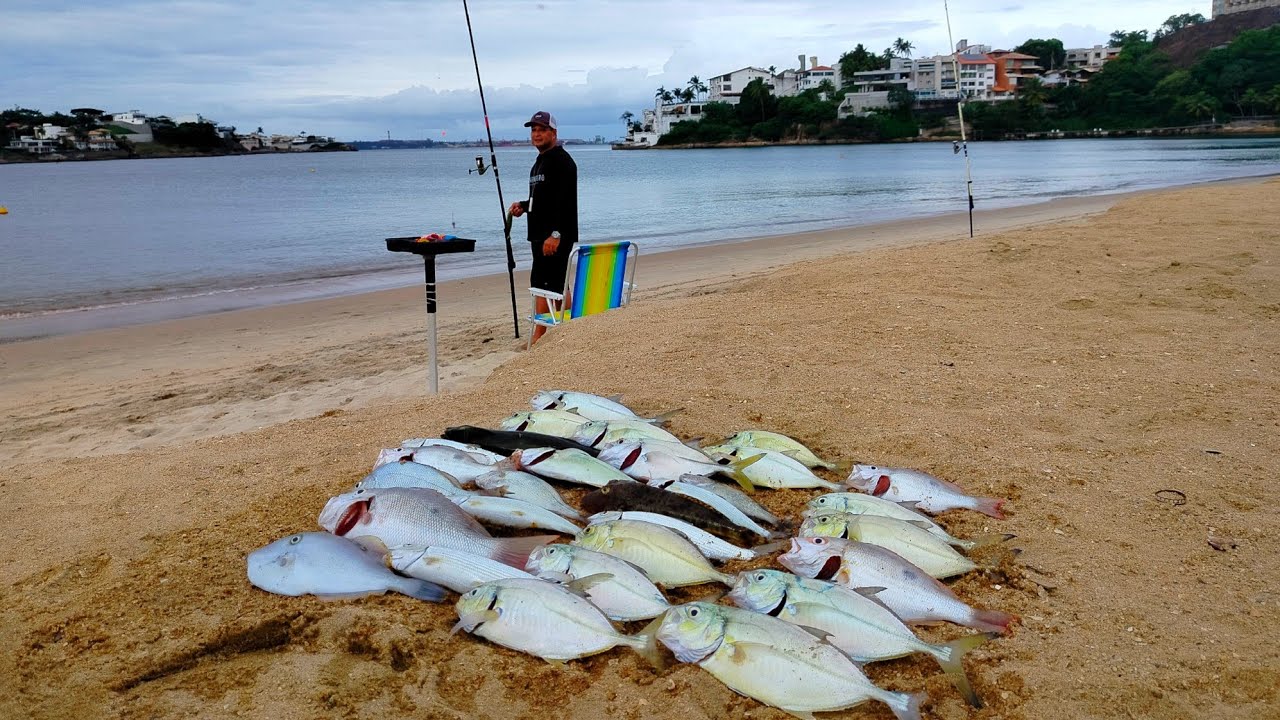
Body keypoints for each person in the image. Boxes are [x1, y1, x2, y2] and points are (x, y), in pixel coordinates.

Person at [508, 110, 578, 345]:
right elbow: (545, 201)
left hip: (553, 237)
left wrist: (556, 234)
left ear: (553, 133)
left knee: (542, 285)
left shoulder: (561, 161)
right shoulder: (541, 162)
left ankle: (540, 336)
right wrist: (523, 206)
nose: (537, 134)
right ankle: (572, 327)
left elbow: (566, 202)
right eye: (534, 130)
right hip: (540, 236)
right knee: (557, 285)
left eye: (542, 130)